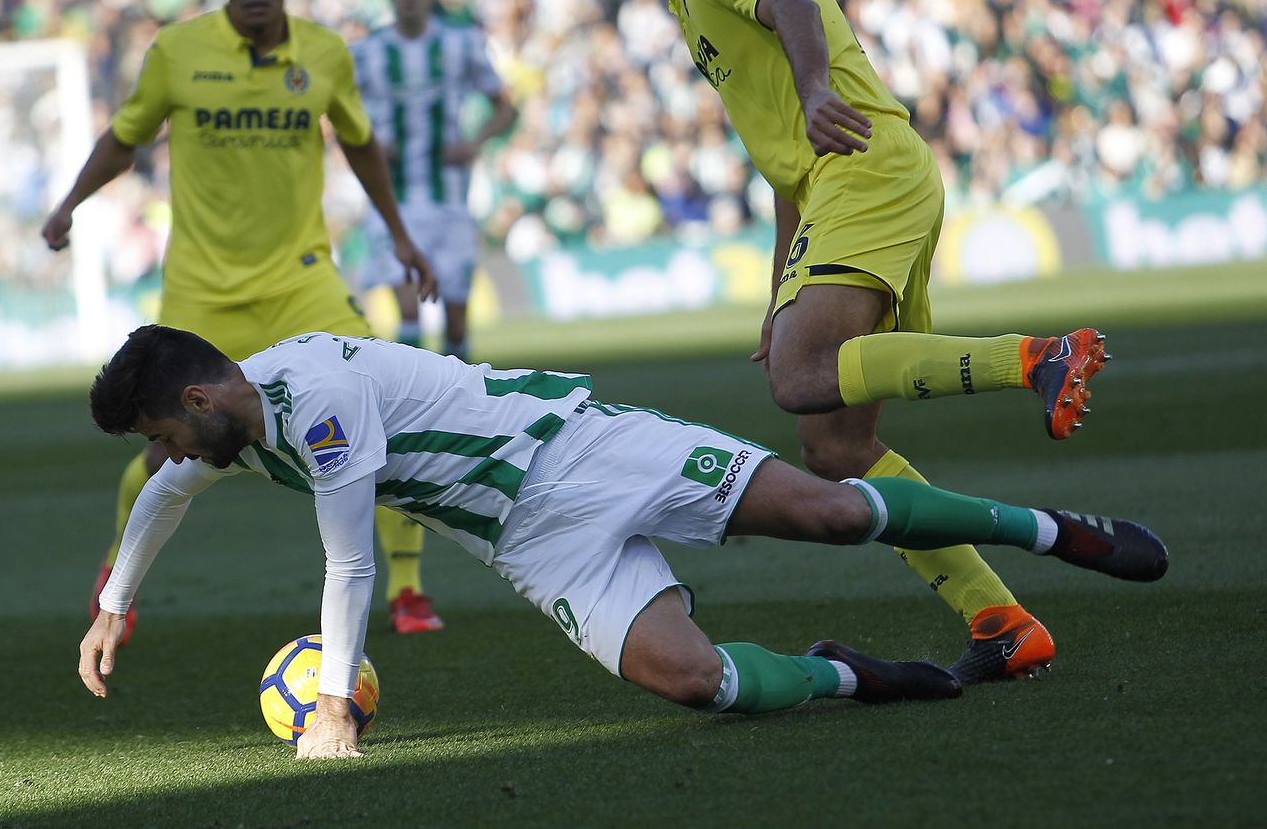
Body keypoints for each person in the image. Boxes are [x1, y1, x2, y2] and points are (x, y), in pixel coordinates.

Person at [551, 0, 1112, 684]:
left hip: (864, 167)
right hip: (840, 181)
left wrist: (817, 90)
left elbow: (792, 5)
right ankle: (1001, 620)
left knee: (801, 376)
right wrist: (782, 293)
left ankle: (1037, 357)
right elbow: (783, 159)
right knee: (836, 449)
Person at [75, 325, 1167, 759]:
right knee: (695, 683)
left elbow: (352, 561)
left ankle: (1053, 531)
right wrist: (116, 602)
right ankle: (848, 673)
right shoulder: (232, 424)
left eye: (165, 429)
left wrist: (329, 709)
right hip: (531, 540)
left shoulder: (313, 400)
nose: (167, 452)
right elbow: (166, 493)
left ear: (201, 396)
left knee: (834, 511)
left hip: (582, 450)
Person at [43, 0, 447, 639]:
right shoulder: (178, 51)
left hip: (302, 281)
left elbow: (360, 143)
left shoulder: (324, 52)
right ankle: (116, 578)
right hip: (202, 291)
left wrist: (399, 234)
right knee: (167, 449)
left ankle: (409, 589)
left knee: (381, 415)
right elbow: (125, 138)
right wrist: (70, 202)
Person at [352, 0, 518, 360]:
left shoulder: (461, 43)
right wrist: (369, 143)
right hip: (393, 203)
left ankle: (459, 397)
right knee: (408, 313)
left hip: (450, 203)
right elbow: (337, 116)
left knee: (456, 323)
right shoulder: (366, 52)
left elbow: (505, 108)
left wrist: (475, 143)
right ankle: (415, 398)